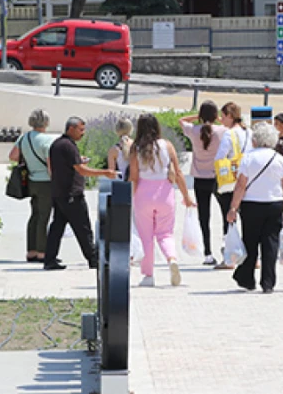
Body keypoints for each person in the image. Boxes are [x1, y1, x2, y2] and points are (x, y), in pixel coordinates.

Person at [226, 122, 283, 293]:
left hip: (251, 205)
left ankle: (247, 278)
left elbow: (241, 185)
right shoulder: (279, 159)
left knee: (250, 241)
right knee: (270, 244)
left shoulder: (248, 157)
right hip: (274, 203)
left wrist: (233, 207)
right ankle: (268, 282)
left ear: (255, 140)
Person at [43, 117, 116, 271]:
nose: (83, 133)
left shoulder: (58, 144)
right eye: (80, 130)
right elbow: (82, 170)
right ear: (71, 128)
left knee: (57, 227)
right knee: (83, 227)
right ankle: (93, 259)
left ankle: (49, 259)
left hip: (59, 192)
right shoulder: (68, 146)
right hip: (71, 194)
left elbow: (64, 164)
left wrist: (79, 160)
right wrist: (105, 172)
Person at [130, 114, 194, 287]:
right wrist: (186, 196)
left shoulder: (136, 148)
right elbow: (179, 173)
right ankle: (171, 259)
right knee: (165, 233)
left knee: (146, 236)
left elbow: (134, 176)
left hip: (143, 193)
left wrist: (132, 198)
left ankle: (148, 275)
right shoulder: (167, 145)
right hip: (165, 193)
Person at [180, 101, 227, 265]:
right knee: (225, 211)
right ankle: (226, 244)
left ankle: (208, 252)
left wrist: (197, 117)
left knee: (204, 216)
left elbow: (182, 120)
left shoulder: (194, 131)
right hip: (218, 177)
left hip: (200, 178)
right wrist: (220, 120)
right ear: (215, 115)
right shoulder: (221, 131)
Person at [11, 109, 56, 263]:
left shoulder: (24, 138)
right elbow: (51, 165)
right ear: (46, 122)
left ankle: (31, 251)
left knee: (34, 216)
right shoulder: (48, 141)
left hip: (31, 181)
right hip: (45, 182)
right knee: (44, 217)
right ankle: (42, 252)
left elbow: (13, 156)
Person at [213, 102, 254, 268]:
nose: (221, 120)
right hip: (249, 179)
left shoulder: (230, 134)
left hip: (231, 182)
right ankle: (252, 256)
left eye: (223, 116)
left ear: (230, 116)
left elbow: (220, 157)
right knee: (248, 219)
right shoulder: (249, 132)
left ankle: (230, 257)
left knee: (229, 217)